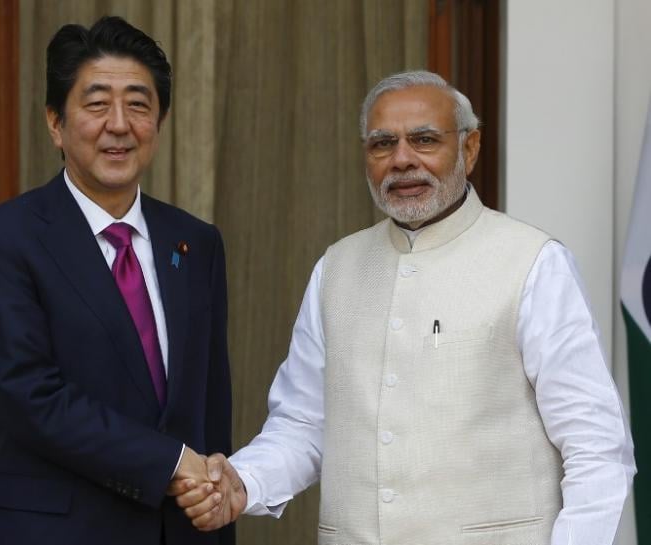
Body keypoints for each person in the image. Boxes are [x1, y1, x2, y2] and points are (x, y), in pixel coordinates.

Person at [172, 70, 636, 545]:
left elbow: (596, 446)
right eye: (382, 145)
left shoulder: (534, 263)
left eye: (425, 140)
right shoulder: (338, 267)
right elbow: (303, 425)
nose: (402, 160)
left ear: (469, 149)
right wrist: (243, 482)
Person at [0, 16, 233, 545]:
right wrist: (174, 462)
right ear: (56, 123)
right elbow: (29, 397)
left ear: (159, 121)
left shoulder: (194, 242)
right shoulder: (3, 240)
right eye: (96, 103)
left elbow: (209, 405)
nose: (119, 124)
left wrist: (214, 502)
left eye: (137, 103)